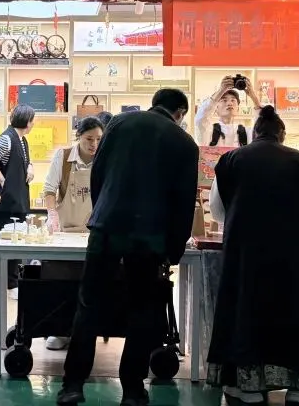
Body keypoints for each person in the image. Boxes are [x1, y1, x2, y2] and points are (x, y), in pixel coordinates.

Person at [58, 89, 200, 406]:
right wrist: (173, 250)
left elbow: (98, 172)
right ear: (180, 112)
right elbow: (183, 202)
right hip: (148, 236)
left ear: (154, 103)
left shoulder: (119, 123)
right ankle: (132, 390)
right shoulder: (184, 142)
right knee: (143, 310)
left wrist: (101, 213)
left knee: (88, 305)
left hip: (107, 227)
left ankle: (73, 385)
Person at [206, 106, 299, 406]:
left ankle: (249, 389)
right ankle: (298, 389)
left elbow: (218, 211)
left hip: (244, 253)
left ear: (254, 133)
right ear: (282, 134)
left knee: (246, 312)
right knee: (293, 313)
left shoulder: (231, 160)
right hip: (290, 254)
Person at [41, 115, 105, 351]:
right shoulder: (64, 157)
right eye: (89, 139)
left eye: (98, 139)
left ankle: (85, 333)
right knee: (61, 281)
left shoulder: (104, 158)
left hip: (93, 233)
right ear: (79, 137)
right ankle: (59, 329)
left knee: (89, 284)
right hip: (65, 231)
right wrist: (52, 214)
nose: (94, 144)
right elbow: (49, 190)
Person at [0, 104, 35, 298]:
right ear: (28, 122)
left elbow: (25, 161)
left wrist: (31, 167)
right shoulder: (7, 139)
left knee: (14, 241)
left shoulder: (22, 139)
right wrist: (1, 180)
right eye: (32, 120)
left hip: (17, 200)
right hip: (5, 202)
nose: (33, 124)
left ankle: (10, 284)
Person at [195, 75, 262, 147]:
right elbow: (200, 119)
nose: (229, 103)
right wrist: (221, 90)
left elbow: (264, 129)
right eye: (224, 100)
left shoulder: (247, 133)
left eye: (233, 100)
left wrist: (254, 97)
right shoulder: (209, 132)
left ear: (238, 109)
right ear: (215, 109)